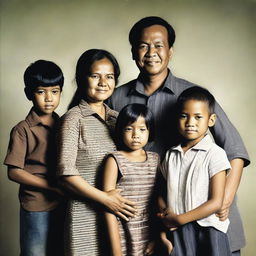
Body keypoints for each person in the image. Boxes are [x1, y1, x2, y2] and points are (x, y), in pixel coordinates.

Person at [107, 16, 250, 254]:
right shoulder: (116, 98)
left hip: (206, 220)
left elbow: (234, 149)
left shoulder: (194, 95)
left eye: (159, 45)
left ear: (170, 51)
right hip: (154, 219)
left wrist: (222, 201)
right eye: (143, 46)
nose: (151, 52)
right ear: (133, 52)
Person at [57, 49, 137, 255]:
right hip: (83, 218)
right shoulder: (73, 119)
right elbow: (65, 174)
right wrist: (105, 199)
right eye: (95, 76)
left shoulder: (119, 120)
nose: (103, 82)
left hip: (117, 217)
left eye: (109, 76)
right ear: (82, 79)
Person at [158, 86, 232, 256]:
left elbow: (216, 202)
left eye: (198, 117)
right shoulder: (170, 154)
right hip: (177, 229)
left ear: (211, 120)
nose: (190, 122)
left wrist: (179, 219)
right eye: (184, 116)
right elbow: (160, 191)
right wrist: (165, 214)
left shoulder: (215, 154)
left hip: (208, 230)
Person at [4, 60, 65, 256]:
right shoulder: (22, 130)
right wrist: (50, 186)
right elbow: (13, 172)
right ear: (29, 93)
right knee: (35, 252)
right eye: (41, 92)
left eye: (55, 91)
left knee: (60, 250)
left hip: (64, 201)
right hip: (36, 204)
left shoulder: (65, 124)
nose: (49, 98)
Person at [103, 103, 159, 256]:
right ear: (120, 130)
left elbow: (157, 202)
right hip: (123, 233)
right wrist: (116, 251)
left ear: (149, 131)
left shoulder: (155, 160)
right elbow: (108, 207)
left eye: (142, 129)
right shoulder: (114, 160)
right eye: (129, 128)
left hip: (149, 233)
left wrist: (156, 238)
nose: (136, 134)